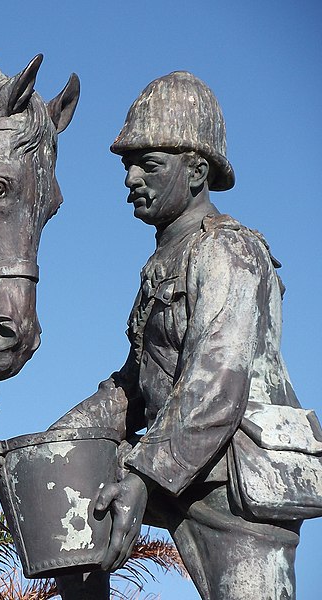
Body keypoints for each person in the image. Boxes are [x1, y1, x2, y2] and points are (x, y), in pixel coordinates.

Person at [52, 71, 305, 600]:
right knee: (69, 518)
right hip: (179, 473)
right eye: (127, 164)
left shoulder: (228, 252)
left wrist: (142, 477)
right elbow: (134, 385)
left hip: (237, 492)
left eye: (148, 164)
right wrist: (51, 442)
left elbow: (216, 383)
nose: (130, 179)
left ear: (196, 171)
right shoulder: (164, 260)